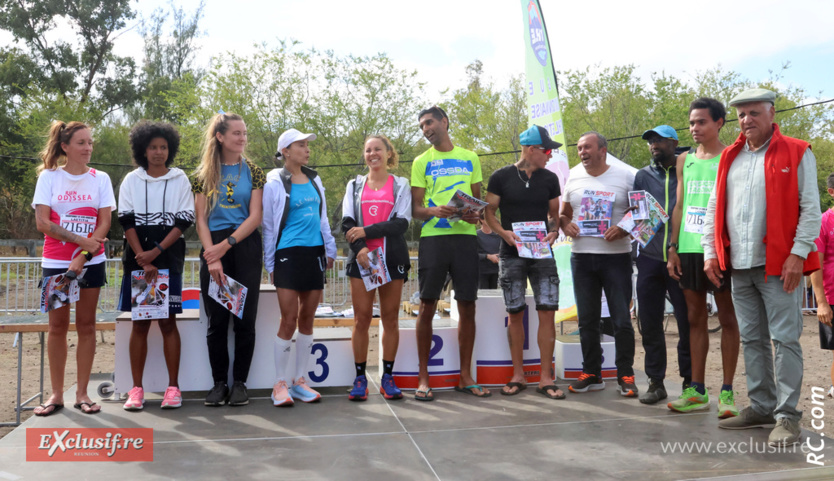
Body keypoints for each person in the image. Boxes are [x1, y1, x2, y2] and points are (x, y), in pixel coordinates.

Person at [703, 88, 821, 446]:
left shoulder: (797, 151)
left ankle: (787, 417)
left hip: (780, 266)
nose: (747, 120)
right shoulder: (730, 156)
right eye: (741, 115)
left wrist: (798, 255)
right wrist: (710, 252)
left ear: (772, 114)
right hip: (739, 266)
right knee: (752, 339)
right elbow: (713, 208)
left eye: (754, 113)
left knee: (785, 340)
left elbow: (810, 208)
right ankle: (761, 407)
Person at [32, 120, 115, 416]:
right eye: (82, 143)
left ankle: (82, 393)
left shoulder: (100, 178)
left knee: (87, 326)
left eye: (90, 142)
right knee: (56, 328)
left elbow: (104, 223)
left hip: (91, 261)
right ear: (65, 146)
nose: (88, 148)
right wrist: (79, 242)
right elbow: (43, 223)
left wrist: (82, 253)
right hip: (56, 263)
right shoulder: (49, 178)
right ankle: (56, 394)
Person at [666, 98, 740, 417]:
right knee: (694, 319)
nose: (695, 128)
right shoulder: (684, 160)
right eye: (692, 123)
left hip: (721, 249)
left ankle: (727, 393)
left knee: (727, 319)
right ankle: (696, 391)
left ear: (719, 123)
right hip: (689, 248)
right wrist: (673, 247)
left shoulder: (732, 156)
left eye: (702, 122)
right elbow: (680, 206)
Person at [410, 105, 489, 401]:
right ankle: (423, 377)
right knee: (427, 306)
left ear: (444, 122)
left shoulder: (470, 157)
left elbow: (476, 203)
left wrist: (474, 216)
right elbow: (415, 209)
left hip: (465, 240)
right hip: (433, 240)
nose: (425, 129)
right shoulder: (421, 161)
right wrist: (434, 210)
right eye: (421, 126)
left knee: (467, 306)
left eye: (429, 122)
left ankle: (465, 376)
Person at [118, 121, 194, 411]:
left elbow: (183, 221)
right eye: (153, 147)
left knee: (167, 323)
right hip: (139, 262)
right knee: (140, 324)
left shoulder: (180, 179)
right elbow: (126, 221)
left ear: (170, 149)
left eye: (163, 147)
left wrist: (155, 253)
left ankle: (173, 388)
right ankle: (136, 390)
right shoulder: (131, 181)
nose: (158, 152)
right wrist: (142, 256)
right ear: (143, 150)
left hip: (167, 261)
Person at [484, 124, 564, 399]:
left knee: (547, 313)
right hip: (511, 252)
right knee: (514, 313)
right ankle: (518, 375)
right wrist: (503, 233)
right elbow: (489, 212)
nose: (550, 155)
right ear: (531, 149)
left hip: (542, 253)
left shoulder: (550, 178)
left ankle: (545, 378)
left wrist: (554, 231)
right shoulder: (501, 177)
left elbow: (554, 214)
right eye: (547, 150)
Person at [192, 113, 265, 407]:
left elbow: (255, 216)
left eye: (244, 133)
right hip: (213, 250)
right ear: (220, 136)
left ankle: (240, 384)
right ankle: (219, 383)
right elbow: (200, 219)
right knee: (217, 322)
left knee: (245, 320)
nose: (242, 138)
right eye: (236, 133)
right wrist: (213, 256)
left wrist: (227, 245)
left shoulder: (254, 171)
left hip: (243, 246)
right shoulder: (202, 175)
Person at [559, 132, 638, 397]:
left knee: (621, 320)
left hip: (616, 258)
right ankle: (591, 372)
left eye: (587, 147)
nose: (582, 152)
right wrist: (565, 224)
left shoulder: (625, 176)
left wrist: (623, 229)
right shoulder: (573, 177)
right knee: (587, 320)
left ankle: (625, 374)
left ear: (602, 150)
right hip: (582, 256)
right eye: (579, 148)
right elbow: (563, 214)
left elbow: (640, 212)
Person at [263, 128, 337, 406]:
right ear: (285, 151)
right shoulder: (274, 182)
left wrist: (329, 249)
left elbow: (323, 219)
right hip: (287, 254)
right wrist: (269, 263)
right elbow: (269, 226)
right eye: (301, 145)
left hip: (314, 253)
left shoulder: (316, 180)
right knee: (289, 319)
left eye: (307, 145)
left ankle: (300, 380)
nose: (306, 149)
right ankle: (279, 383)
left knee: (307, 319)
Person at [341, 135, 412, 401]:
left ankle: (387, 377)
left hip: (392, 260)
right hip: (362, 260)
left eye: (378, 149)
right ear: (364, 155)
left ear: (388, 153)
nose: (373, 154)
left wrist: (367, 230)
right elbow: (347, 223)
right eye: (368, 150)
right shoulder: (354, 185)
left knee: (391, 319)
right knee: (361, 320)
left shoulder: (400, 184)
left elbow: (400, 224)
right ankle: (360, 378)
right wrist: (360, 248)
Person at [631, 125, 691, 405]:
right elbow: (639, 214)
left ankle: (691, 382)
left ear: (674, 142)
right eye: (650, 141)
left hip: (682, 256)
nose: (654, 145)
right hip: (650, 257)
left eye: (659, 140)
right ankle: (656, 382)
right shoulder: (643, 175)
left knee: (688, 322)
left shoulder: (689, 167)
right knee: (650, 322)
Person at [810, 172, 834, 400]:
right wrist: (821, 303)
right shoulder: (823, 221)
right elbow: (815, 264)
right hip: (832, 296)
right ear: (831, 192)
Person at [477, 212, 501, 289]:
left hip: (497, 272)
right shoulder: (475, 235)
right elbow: (471, 254)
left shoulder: (499, 235)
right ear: (481, 220)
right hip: (481, 273)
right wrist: (488, 256)